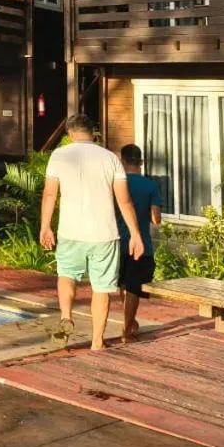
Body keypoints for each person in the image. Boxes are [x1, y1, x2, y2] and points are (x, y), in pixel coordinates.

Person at [40, 115, 145, 351]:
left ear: (69, 134)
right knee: (102, 288)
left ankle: (66, 316)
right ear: (93, 134)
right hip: (104, 234)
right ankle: (97, 341)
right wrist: (135, 234)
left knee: (67, 276)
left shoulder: (59, 156)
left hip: (70, 231)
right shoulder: (110, 158)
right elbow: (124, 200)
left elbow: (49, 194)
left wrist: (45, 226)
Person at [118, 144, 163, 343]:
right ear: (141, 162)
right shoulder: (150, 185)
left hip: (117, 242)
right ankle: (127, 330)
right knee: (134, 287)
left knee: (122, 283)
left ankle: (129, 321)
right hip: (141, 244)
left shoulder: (116, 183)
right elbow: (156, 219)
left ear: (122, 160)